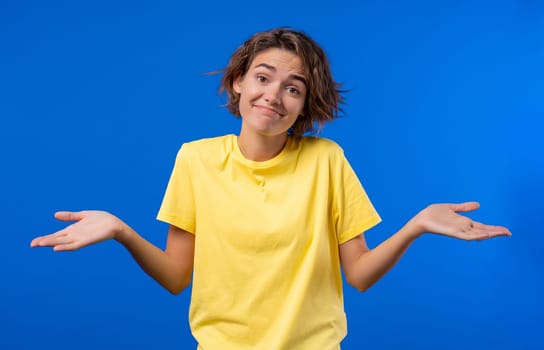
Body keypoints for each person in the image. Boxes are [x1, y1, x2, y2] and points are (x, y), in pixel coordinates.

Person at [30, 27, 511, 350]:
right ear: (239, 83)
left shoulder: (327, 161)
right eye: (263, 78)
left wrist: (417, 225)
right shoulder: (195, 158)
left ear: (304, 106)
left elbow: (359, 275)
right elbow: (178, 276)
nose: (273, 96)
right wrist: (121, 231)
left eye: (293, 88)